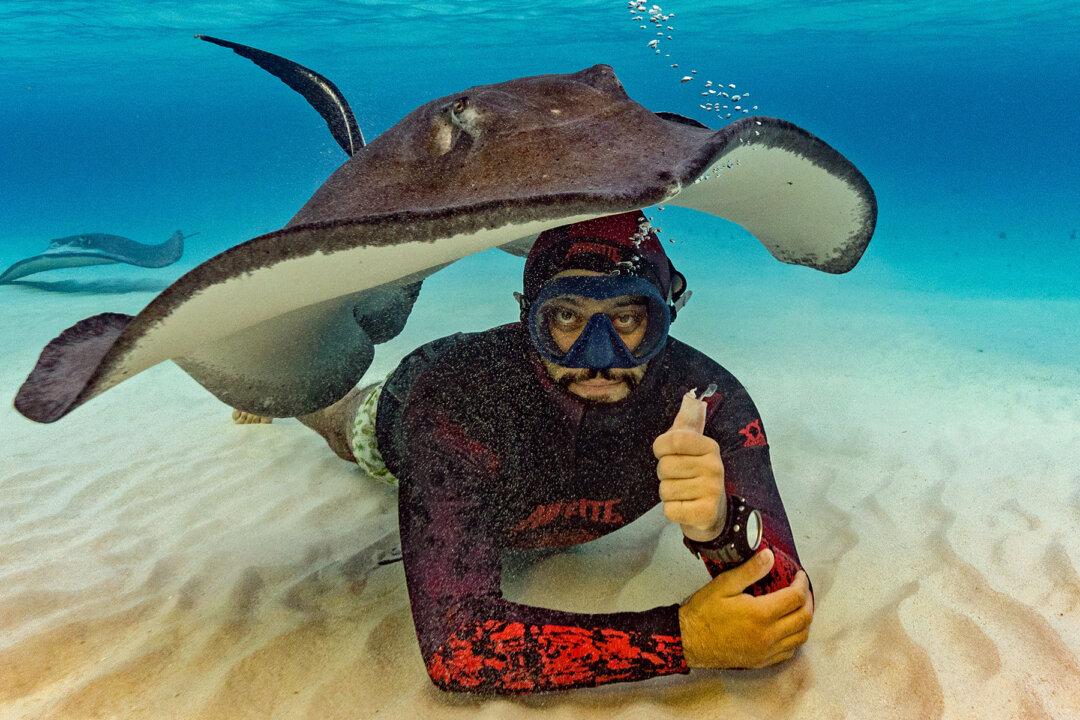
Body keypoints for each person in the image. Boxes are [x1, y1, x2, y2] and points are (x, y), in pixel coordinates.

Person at [235, 211, 814, 694]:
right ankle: (286, 393)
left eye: (629, 319)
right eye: (565, 317)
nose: (599, 357)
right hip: (413, 400)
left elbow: (782, 603)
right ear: (526, 313)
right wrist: (681, 639)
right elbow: (457, 650)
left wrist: (719, 528)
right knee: (341, 424)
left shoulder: (708, 401)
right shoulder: (454, 402)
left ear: (666, 312)